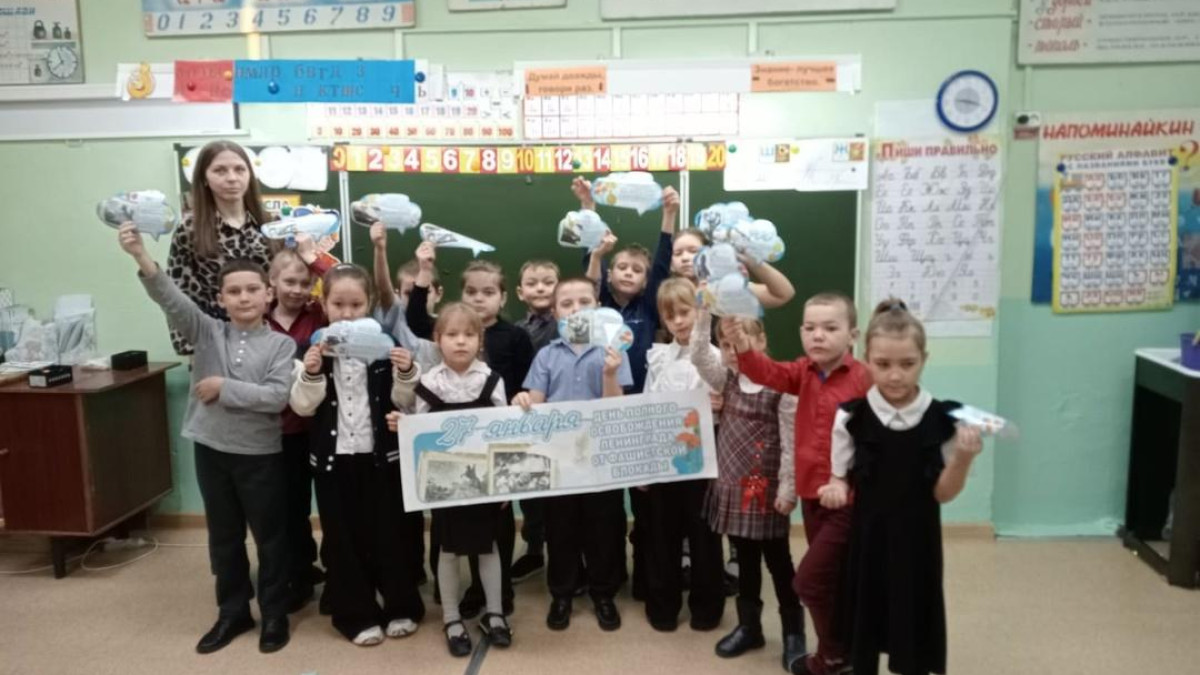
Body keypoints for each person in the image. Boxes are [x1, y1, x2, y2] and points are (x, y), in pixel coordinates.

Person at [117, 224, 293, 654]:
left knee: (270, 537)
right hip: (212, 451)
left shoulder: (282, 346)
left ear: (269, 294)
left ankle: (275, 614)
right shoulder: (206, 331)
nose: (244, 298)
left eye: (252, 289)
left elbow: (276, 397)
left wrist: (222, 387)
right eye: (234, 291)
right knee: (223, 537)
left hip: (259, 456)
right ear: (220, 299)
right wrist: (140, 254)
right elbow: (169, 297)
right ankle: (232, 612)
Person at [818, 299, 982, 675]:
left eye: (907, 364)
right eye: (883, 364)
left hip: (918, 542)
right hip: (868, 541)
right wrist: (836, 487)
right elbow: (838, 478)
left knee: (913, 627)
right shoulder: (851, 417)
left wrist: (963, 458)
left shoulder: (944, 419)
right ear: (866, 359)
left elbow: (943, 493)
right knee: (866, 627)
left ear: (924, 359)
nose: (895, 376)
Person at [730, 292, 872, 675]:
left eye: (830, 328)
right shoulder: (803, 371)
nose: (818, 335)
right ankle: (846, 654)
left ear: (853, 335)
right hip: (812, 498)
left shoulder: (864, 379)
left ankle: (832, 655)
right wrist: (742, 344)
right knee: (832, 581)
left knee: (809, 583)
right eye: (809, 328)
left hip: (849, 501)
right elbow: (765, 373)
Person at [290, 264, 425, 646]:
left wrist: (406, 371)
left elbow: (405, 401)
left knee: (390, 534)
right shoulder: (311, 350)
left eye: (356, 305)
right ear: (324, 304)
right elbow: (302, 407)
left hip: (381, 458)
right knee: (342, 539)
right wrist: (312, 373)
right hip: (333, 461)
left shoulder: (383, 346)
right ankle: (355, 615)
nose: (347, 314)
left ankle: (400, 606)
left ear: (370, 304)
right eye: (338, 304)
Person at [395, 303, 515, 657]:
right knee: (448, 550)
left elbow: (504, 435)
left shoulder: (492, 380)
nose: (460, 341)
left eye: (469, 335)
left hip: (486, 482)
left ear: (480, 340)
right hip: (444, 484)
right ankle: (450, 617)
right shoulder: (428, 383)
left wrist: (505, 483)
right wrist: (402, 425)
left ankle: (495, 613)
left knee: (489, 547)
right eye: (452, 334)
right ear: (437, 339)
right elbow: (419, 436)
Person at [513, 277, 632, 632]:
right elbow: (536, 403)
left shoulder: (613, 351)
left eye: (584, 302)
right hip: (560, 462)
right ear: (555, 313)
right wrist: (524, 399)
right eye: (567, 304)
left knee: (603, 528)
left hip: (600, 461)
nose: (576, 309)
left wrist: (610, 373)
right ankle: (562, 593)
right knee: (560, 529)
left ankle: (603, 593)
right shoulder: (547, 355)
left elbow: (616, 408)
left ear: (598, 307)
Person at [692, 308, 805, 669]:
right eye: (725, 345)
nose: (731, 351)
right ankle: (749, 627)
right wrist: (701, 315)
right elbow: (699, 354)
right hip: (733, 486)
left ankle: (794, 633)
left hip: (767, 490)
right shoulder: (726, 378)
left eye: (739, 343)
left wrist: (788, 489)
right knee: (745, 560)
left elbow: (791, 442)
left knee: (779, 562)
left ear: (761, 340)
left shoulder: (781, 386)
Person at [640, 278, 726, 632]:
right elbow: (648, 407)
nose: (678, 321)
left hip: (704, 455)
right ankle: (663, 606)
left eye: (684, 312)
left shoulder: (716, 356)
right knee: (663, 534)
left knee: (704, 534)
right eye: (670, 315)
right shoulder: (659, 358)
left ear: (700, 312)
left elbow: (729, 400)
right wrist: (647, 466)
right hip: (666, 455)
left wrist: (721, 404)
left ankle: (707, 608)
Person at [166, 140, 274, 355]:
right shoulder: (190, 229)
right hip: (216, 343)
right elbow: (180, 293)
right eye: (220, 170)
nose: (232, 178)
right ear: (204, 178)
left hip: (269, 339)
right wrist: (192, 349)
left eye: (239, 169)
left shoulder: (271, 225)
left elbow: (284, 284)